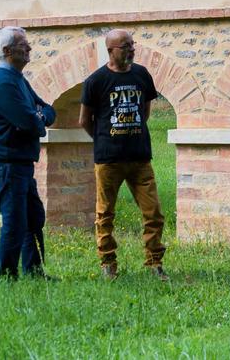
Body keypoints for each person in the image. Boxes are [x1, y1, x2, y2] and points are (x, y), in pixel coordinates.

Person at [79, 29, 167, 281]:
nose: (131, 49)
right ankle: (108, 262)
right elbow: (85, 120)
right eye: (125, 46)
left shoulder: (141, 74)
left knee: (153, 212)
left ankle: (154, 263)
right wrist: (105, 138)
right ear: (111, 50)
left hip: (140, 157)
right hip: (109, 160)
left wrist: (131, 133)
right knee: (105, 213)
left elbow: (146, 110)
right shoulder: (96, 81)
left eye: (132, 45)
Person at [0, 26, 57, 280]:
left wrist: (38, 116)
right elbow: (32, 124)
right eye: (23, 45)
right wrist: (37, 118)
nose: (29, 49)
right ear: (7, 51)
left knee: (33, 217)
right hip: (7, 164)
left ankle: (34, 270)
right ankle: (6, 276)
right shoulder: (4, 83)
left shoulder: (18, 79)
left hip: (21, 163)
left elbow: (47, 109)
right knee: (14, 222)